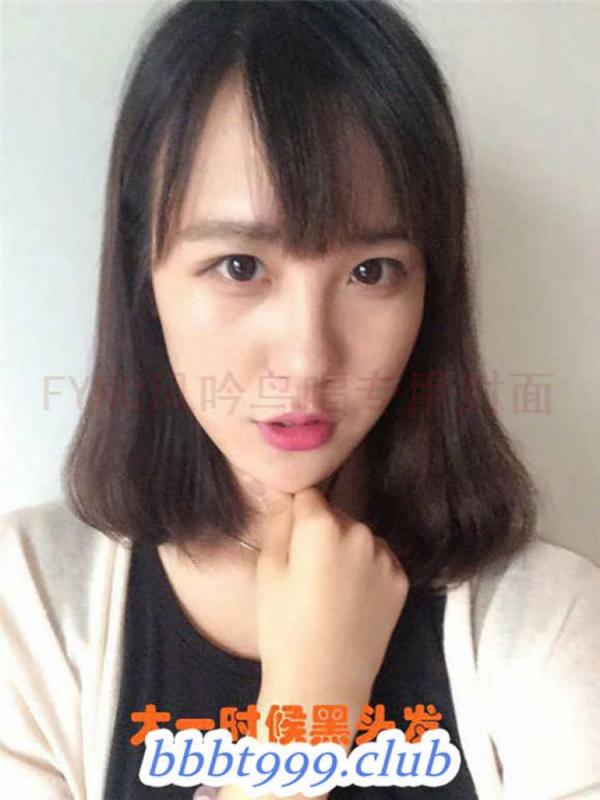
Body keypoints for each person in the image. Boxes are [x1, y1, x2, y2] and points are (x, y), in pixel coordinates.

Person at [1, 1, 598, 799]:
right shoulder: (27, 606)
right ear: (145, 272)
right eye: (240, 266)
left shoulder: (549, 619)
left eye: (371, 271)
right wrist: (305, 720)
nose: (309, 359)